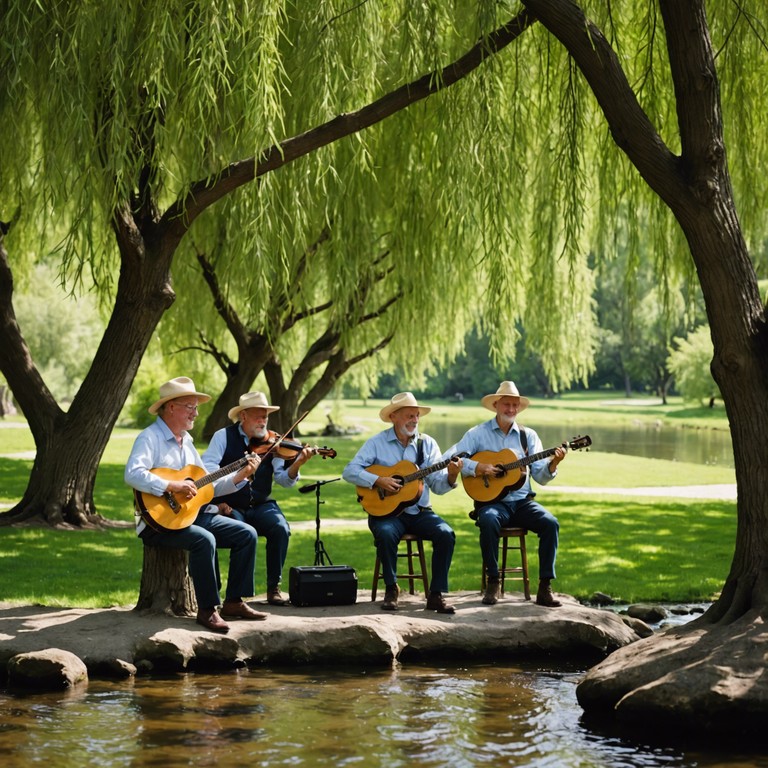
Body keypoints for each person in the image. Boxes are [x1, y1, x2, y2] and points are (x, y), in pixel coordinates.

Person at [125, 377, 268, 633]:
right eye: (189, 406)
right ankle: (207, 609)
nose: (196, 412)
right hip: (155, 522)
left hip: (189, 515)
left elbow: (207, 487)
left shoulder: (187, 441)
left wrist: (240, 476)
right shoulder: (149, 438)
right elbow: (132, 474)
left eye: (195, 407)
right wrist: (171, 486)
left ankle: (234, 601)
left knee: (247, 534)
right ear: (170, 407)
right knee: (204, 540)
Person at [447, 381, 566, 608]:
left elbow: (540, 476)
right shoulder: (477, 434)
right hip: (491, 502)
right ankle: (494, 581)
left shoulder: (528, 436)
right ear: (495, 405)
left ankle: (545, 587)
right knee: (489, 519)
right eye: (506, 404)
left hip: (522, 502)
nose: (511, 409)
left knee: (551, 523)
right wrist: (478, 468)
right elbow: (454, 458)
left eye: (515, 405)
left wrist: (554, 463)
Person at [342, 392, 462, 613]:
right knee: (386, 533)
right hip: (386, 513)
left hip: (420, 512)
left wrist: (452, 475)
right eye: (409, 415)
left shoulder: (427, 444)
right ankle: (391, 588)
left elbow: (437, 485)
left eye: (417, 416)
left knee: (446, 533)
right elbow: (349, 471)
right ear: (393, 417)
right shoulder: (376, 443)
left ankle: (436, 594)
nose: (414, 420)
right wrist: (379, 480)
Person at [202, 391, 316, 606]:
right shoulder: (223, 436)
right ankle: (235, 597)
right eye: (258, 416)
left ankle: (274, 587)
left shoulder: (274, 442)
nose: (263, 421)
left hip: (261, 504)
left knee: (281, 528)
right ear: (243, 416)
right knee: (242, 533)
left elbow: (283, 480)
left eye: (265, 417)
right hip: (231, 504)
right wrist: (216, 502)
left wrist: (298, 464)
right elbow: (208, 472)